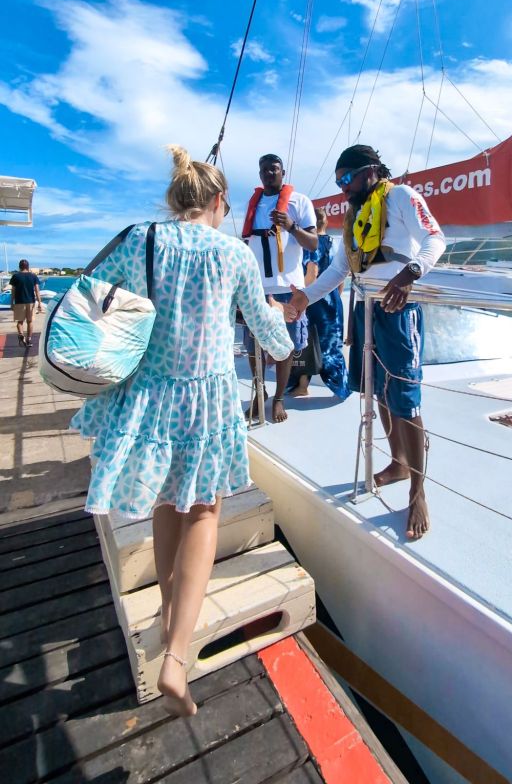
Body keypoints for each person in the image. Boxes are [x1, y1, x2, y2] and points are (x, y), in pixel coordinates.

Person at [71, 147, 293, 716]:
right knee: (204, 513)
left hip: (150, 395)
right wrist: (286, 328)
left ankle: (171, 616)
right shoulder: (235, 253)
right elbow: (265, 329)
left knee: (167, 507)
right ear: (219, 202)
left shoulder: (140, 240)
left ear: (176, 200)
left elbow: (91, 294)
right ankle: (176, 656)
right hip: (208, 399)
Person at [288, 144, 445, 541]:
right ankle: (399, 463)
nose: (342, 187)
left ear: (371, 170)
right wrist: (307, 295)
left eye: (347, 178)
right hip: (365, 312)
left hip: (398, 309)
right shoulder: (355, 216)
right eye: (338, 180)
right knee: (378, 392)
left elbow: (434, 239)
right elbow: (340, 268)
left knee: (405, 400)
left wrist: (409, 274)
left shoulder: (401, 197)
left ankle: (419, 491)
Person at [242, 154, 317, 422]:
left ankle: (278, 399)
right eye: (263, 170)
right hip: (257, 289)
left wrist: (290, 226)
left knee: (285, 347)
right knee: (254, 347)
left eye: (273, 169)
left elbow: (313, 243)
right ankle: (259, 393)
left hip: (288, 287)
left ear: (283, 172)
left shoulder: (299, 202)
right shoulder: (255, 204)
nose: (268, 174)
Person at [289, 207, 350, 400]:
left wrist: (302, 295)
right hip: (332, 300)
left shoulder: (312, 245)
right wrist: (335, 297)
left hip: (315, 302)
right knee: (332, 346)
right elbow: (341, 278)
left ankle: (304, 385)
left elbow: (312, 274)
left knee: (307, 343)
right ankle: (342, 386)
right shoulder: (335, 244)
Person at [10, 259, 42, 347]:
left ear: (19, 266)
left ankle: (21, 334)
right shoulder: (33, 276)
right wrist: (39, 302)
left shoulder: (15, 276)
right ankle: (29, 339)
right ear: (28, 266)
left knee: (20, 322)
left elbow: (13, 291)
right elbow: (37, 290)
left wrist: (11, 302)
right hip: (30, 302)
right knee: (30, 321)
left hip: (19, 302)